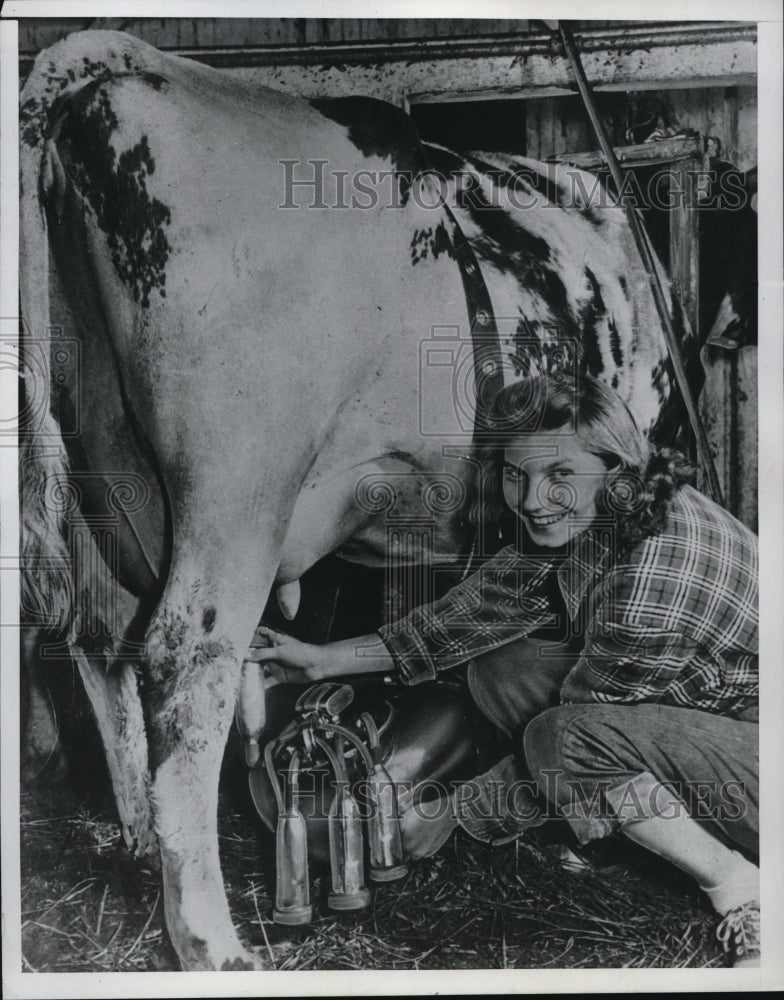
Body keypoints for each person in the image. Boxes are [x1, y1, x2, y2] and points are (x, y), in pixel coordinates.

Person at [254, 373, 760, 968]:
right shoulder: (602, 513)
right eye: (517, 474)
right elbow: (462, 620)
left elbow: (573, 740)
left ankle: (742, 892)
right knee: (501, 668)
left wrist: (453, 815)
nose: (531, 499)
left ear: (616, 467)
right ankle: (617, 827)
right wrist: (317, 660)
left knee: (559, 739)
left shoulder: (652, 577)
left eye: (559, 475)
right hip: (712, 716)